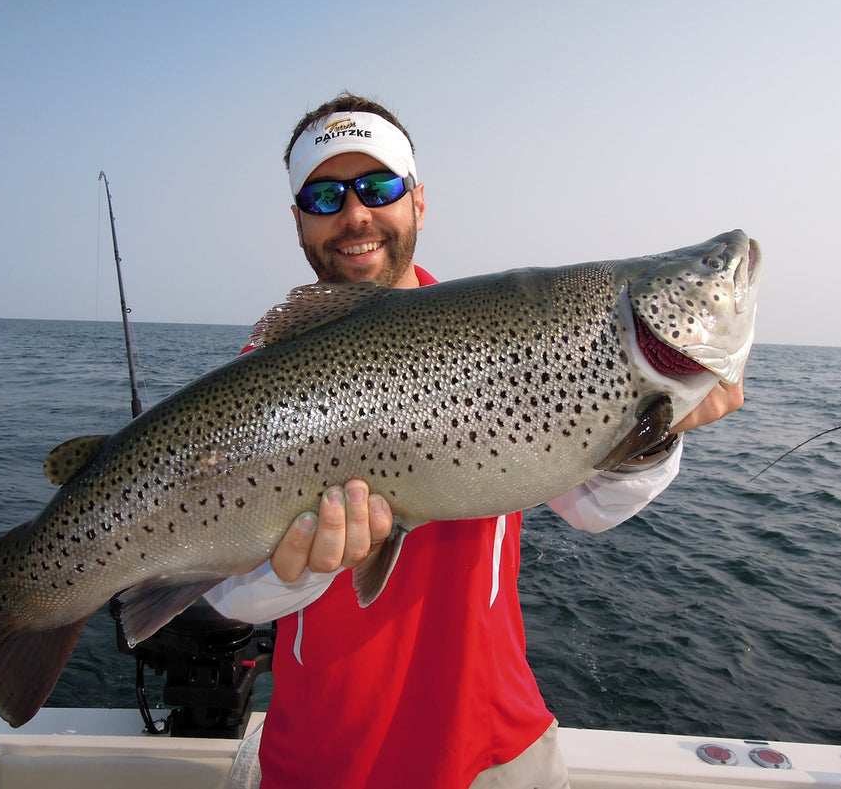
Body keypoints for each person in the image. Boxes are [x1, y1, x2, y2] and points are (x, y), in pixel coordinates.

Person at [206, 93, 744, 789]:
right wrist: (304, 566)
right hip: (320, 760)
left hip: (494, 752)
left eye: (378, 187)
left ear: (418, 202)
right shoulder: (256, 379)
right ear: (299, 220)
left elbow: (593, 507)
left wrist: (651, 432)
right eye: (324, 195)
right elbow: (220, 593)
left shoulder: (508, 328)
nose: (355, 215)